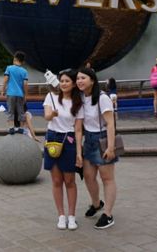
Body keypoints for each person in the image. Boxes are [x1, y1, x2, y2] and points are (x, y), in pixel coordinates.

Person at [77, 67, 117, 230]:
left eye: (83, 78)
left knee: (107, 178)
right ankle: (96, 203)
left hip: (102, 139)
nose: (79, 81)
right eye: (78, 78)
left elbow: (110, 123)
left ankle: (108, 214)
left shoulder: (102, 98)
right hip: (89, 140)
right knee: (88, 176)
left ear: (92, 80)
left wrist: (111, 146)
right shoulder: (81, 97)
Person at [43, 69, 84, 230]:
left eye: (67, 81)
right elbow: (46, 116)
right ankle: (61, 216)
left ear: (73, 84)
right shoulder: (51, 97)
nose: (64, 84)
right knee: (57, 181)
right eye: (62, 81)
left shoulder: (78, 103)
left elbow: (79, 129)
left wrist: (79, 153)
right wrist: (52, 114)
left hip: (69, 140)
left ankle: (72, 216)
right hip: (52, 139)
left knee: (70, 181)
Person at [2, 51, 29, 134]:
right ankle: (21, 128)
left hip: (10, 94)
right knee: (21, 111)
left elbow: (5, 80)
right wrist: (26, 95)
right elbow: (25, 84)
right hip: (20, 94)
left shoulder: (9, 68)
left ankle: (11, 128)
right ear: (23, 61)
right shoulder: (24, 71)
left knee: (10, 111)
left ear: (14, 59)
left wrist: (3, 90)